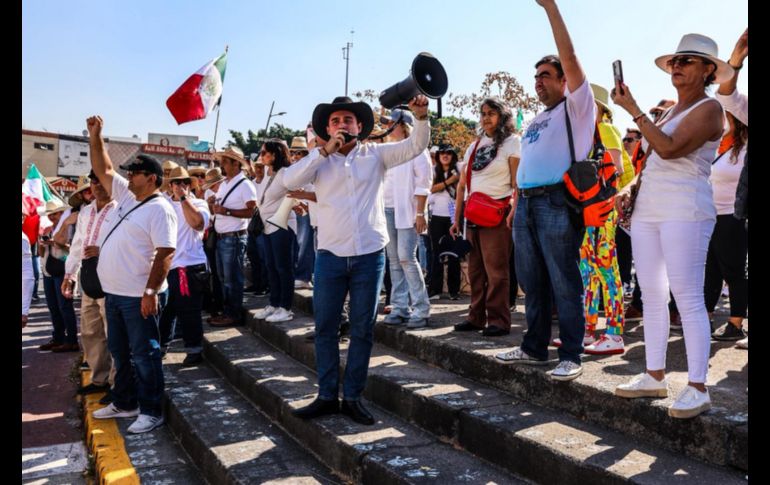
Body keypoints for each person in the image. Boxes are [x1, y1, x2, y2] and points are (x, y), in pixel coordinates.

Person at [284, 95, 430, 425]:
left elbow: (415, 147)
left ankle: (352, 397)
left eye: (347, 120)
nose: (341, 125)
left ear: (359, 126)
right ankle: (326, 396)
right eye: (335, 121)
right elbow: (289, 181)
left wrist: (421, 118)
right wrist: (323, 151)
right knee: (325, 328)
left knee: (362, 329)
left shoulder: (376, 155)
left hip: (369, 256)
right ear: (327, 128)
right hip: (330, 256)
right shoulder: (318, 160)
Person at [611, 33, 731, 418]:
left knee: (688, 295)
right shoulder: (667, 112)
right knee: (651, 294)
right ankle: (654, 375)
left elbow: (669, 148)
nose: (677, 66)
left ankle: (698, 386)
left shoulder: (711, 109)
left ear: (708, 70)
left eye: (687, 60)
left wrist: (633, 109)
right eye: (675, 61)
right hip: (649, 209)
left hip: (685, 208)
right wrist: (628, 187)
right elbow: (651, 162)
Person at [494, 0, 595, 382]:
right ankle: (534, 347)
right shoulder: (536, 119)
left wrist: (550, 8)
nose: (539, 81)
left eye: (547, 75)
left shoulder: (577, 107)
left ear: (565, 80)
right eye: (536, 76)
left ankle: (570, 354)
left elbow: (570, 56)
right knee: (531, 280)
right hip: (526, 205)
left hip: (557, 201)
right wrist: (515, 203)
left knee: (563, 281)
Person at [87, 115, 177, 434]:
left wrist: (150, 292)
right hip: (115, 294)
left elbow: (166, 253)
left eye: (135, 173)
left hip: (138, 296)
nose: (129, 176)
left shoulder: (160, 209)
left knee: (145, 354)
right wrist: (95, 136)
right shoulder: (128, 196)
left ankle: (151, 410)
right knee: (120, 353)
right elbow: (103, 168)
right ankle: (125, 402)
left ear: (151, 178)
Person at [450, 97, 520, 337]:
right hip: (473, 215)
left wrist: (514, 210)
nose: (486, 117)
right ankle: (476, 317)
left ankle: (499, 321)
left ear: (502, 116)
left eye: (491, 113)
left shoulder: (512, 142)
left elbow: (516, 183)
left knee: (497, 272)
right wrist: (456, 219)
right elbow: (462, 185)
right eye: (483, 113)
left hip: (498, 214)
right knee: (475, 271)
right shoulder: (474, 145)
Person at [61, 170, 118, 396]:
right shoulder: (86, 211)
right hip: (89, 277)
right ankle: (99, 378)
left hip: (112, 277)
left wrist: (102, 250)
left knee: (113, 332)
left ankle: (117, 384)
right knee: (90, 331)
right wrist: (70, 274)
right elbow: (78, 244)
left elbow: (127, 243)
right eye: (93, 182)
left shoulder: (121, 209)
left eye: (101, 181)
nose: (97, 185)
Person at [710, 28, 748, 348]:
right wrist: (735, 60)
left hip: (733, 219)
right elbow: (726, 96)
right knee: (717, 269)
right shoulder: (728, 147)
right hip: (722, 216)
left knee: (735, 270)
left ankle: (736, 322)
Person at [380, 108, 433, 329]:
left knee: (406, 258)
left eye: (390, 123)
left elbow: (424, 183)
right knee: (394, 260)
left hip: (408, 211)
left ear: (403, 125)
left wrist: (420, 213)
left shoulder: (417, 149)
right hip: (388, 210)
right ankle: (399, 307)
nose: (387, 127)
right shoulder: (388, 150)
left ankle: (421, 308)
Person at [159, 167, 211, 366]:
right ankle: (162, 345)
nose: (181, 186)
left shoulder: (199, 203)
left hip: (189, 266)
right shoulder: (162, 204)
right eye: (177, 183)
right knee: (165, 310)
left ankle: (194, 350)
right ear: (170, 185)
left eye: (185, 183)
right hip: (166, 265)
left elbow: (197, 223)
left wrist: (183, 199)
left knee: (189, 311)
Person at [209, 147, 258, 327]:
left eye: (225, 162)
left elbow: (252, 211)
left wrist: (226, 211)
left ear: (236, 164)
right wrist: (213, 204)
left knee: (232, 279)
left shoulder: (245, 185)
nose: (221, 165)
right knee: (224, 278)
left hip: (234, 237)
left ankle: (233, 314)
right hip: (223, 237)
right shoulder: (225, 183)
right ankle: (228, 312)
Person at [253, 139, 298, 323]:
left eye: (264, 152)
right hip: (267, 226)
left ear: (275, 154)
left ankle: (285, 308)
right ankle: (274, 303)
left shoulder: (285, 173)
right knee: (271, 267)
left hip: (282, 225)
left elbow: (300, 188)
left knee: (283, 267)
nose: (261, 156)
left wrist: (297, 203)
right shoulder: (267, 173)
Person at [38, 200, 80, 352]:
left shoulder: (70, 227)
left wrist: (55, 243)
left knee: (64, 306)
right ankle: (58, 338)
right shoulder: (48, 229)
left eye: (54, 214)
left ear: (61, 213)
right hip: (48, 271)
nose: (51, 217)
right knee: (53, 307)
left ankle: (72, 340)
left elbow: (75, 249)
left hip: (64, 270)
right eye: (49, 214)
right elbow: (40, 254)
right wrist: (42, 244)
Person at [428, 144, 461, 300]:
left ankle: (454, 291)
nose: (445, 155)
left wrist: (453, 180)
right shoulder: (433, 171)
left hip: (453, 215)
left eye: (448, 152)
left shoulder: (458, 169)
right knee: (436, 253)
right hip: (437, 216)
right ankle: (435, 289)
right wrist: (449, 181)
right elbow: (430, 189)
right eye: (442, 153)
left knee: (454, 253)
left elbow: (461, 189)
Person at [289, 136, 315, 290]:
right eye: (293, 153)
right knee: (303, 243)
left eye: (299, 153)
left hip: (310, 207)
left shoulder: (310, 166)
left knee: (305, 243)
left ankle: (304, 276)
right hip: (301, 208)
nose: (295, 156)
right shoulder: (296, 168)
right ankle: (303, 275)